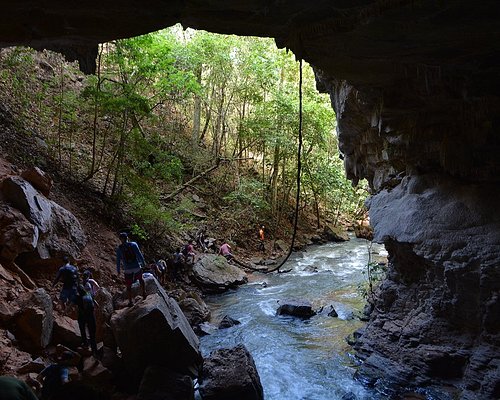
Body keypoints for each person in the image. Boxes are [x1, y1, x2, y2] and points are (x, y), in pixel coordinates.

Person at [116, 232, 146, 307]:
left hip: (127, 269)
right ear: (127, 238)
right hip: (136, 266)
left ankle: (130, 301)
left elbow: (118, 260)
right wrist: (143, 263)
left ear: (120, 239)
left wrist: (118, 270)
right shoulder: (133, 244)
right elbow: (139, 254)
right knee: (141, 279)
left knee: (128, 285)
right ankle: (144, 293)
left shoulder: (119, 248)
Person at [75, 285, 98, 356]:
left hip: (83, 316)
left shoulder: (78, 298)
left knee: (82, 329)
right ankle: (95, 351)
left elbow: (73, 305)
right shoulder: (89, 294)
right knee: (92, 335)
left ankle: (85, 344)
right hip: (91, 316)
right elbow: (96, 304)